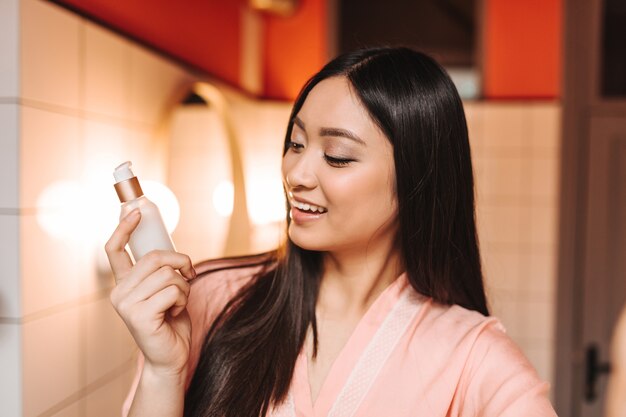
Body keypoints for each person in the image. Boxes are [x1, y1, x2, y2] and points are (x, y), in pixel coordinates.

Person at [106, 47, 558, 417]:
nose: (297, 173)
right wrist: (163, 371)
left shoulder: (474, 358)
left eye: (337, 156)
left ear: (418, 178)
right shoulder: (213, 298)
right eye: (296, 143)